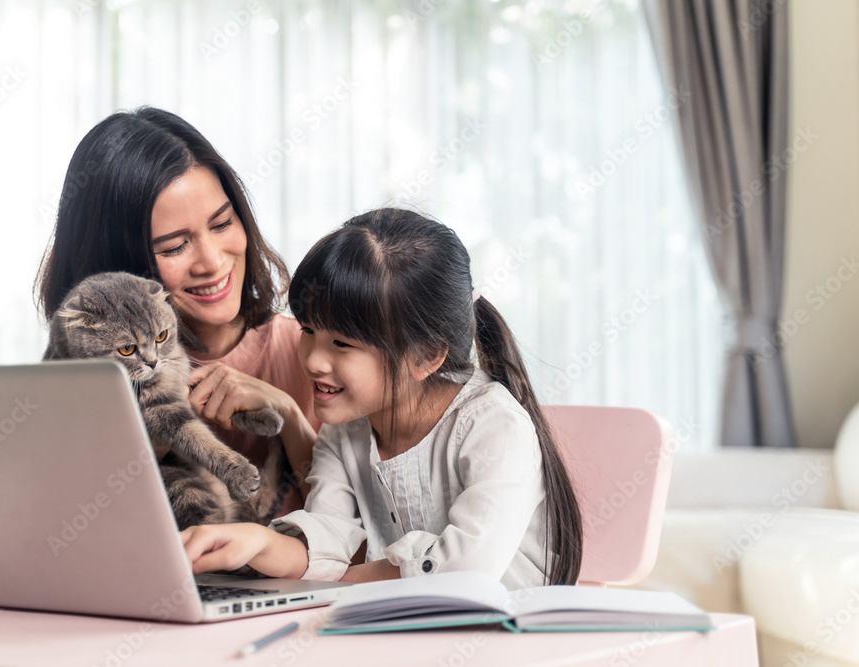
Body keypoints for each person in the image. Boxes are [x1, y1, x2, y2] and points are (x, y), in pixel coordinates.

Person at [180, 208, 584, 588]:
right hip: (403, 633)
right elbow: (330, 535)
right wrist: (257, 543)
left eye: (341, 342)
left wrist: (340, 581)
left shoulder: (493, 426)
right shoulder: (343, 433)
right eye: (307, 330)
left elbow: (463, 573)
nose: (314, 360)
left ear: (426, 355)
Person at [34, 107, 319, 512]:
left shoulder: (312, 352)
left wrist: (290, 416)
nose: (212, 262)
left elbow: (365, 545)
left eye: (222, 224)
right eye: (173, 247)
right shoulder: (81, 382)